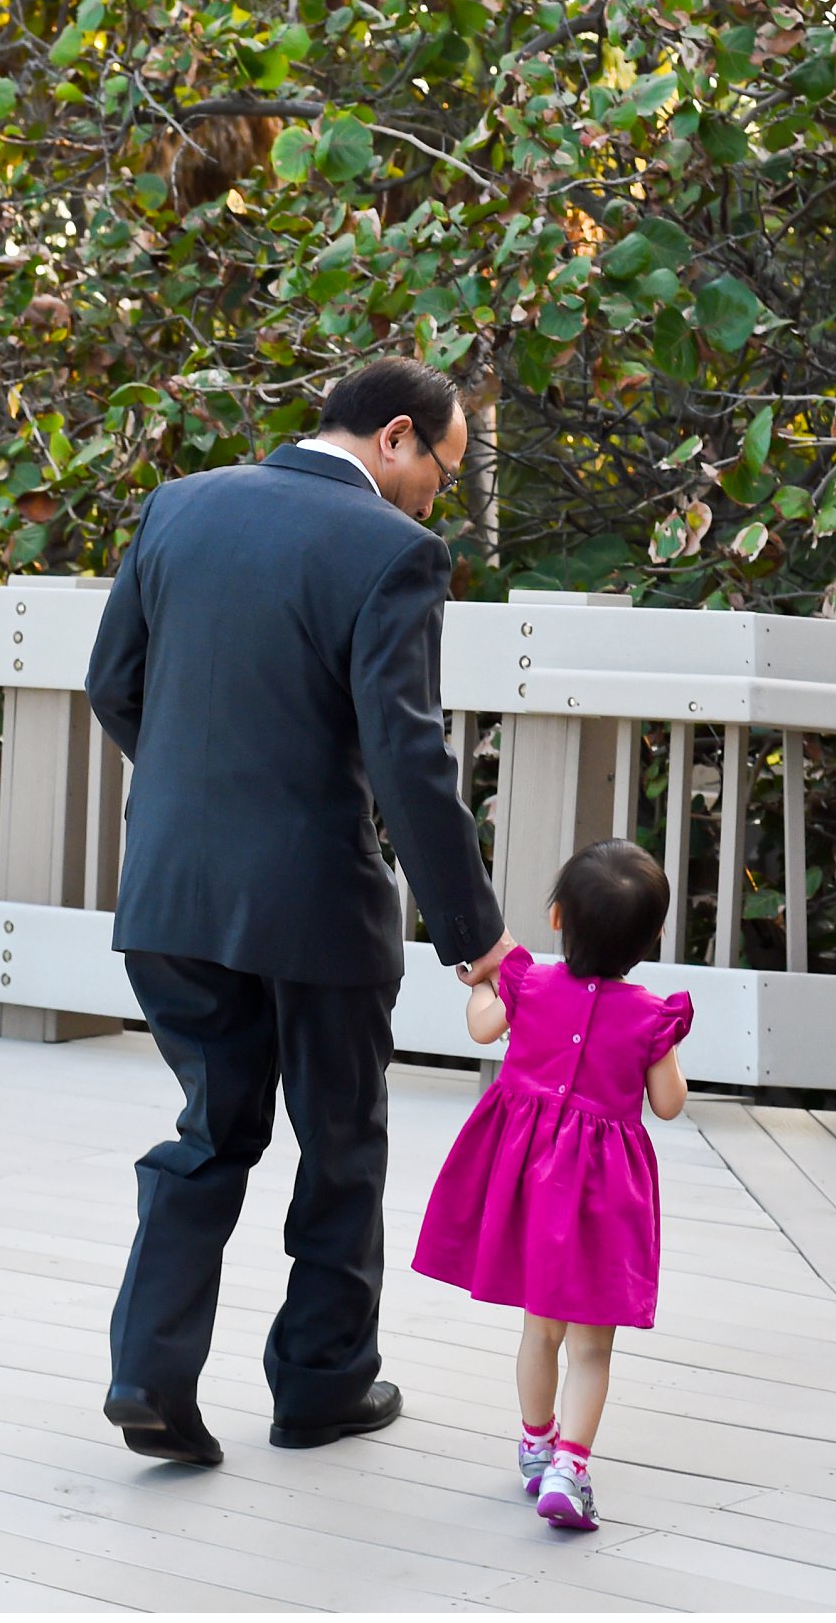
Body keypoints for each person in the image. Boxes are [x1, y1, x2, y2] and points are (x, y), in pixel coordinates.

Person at [85, 356, 511, 1467]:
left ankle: (147, 1375)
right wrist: (476, 936)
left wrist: (199, 795)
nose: (438, 500)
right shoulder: (393, 551)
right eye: (442, 472)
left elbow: (111, 683)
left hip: (172, 893)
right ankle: (321, 1387)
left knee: (208, 1133)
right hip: (316, 905)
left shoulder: (178, 507)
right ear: (397, 439)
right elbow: (408, 761)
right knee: (340, 1146)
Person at [411, 838, 693, 1533]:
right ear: (651, 939)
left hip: (531, 1183)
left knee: (541, 1332)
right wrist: (662, 1048)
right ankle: (572, 1465)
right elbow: (668, 1104)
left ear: (559, 918)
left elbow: (483, 1030)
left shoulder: (528, 985)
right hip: (603, 1197)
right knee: (593, 1346)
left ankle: (536, 1445)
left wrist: (481, 981)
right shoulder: (650, 1016)